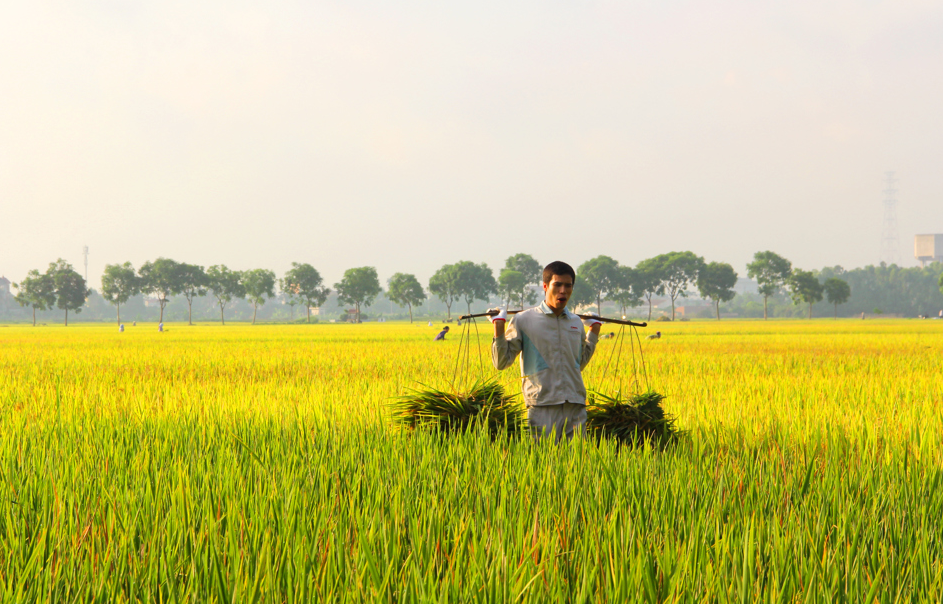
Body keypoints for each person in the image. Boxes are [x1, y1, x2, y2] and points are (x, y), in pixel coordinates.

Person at [490, 261, 601, 442]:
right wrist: (499, 326)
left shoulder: (575, 322)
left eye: (568, 285)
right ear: (545, 286)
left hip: (575, 405)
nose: (563, 290)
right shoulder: (524, 320)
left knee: (578, 465)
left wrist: (594, 330)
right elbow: (501, 362)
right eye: (557, 285)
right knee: (543, 463)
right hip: (542, 406)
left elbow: (578, 364)